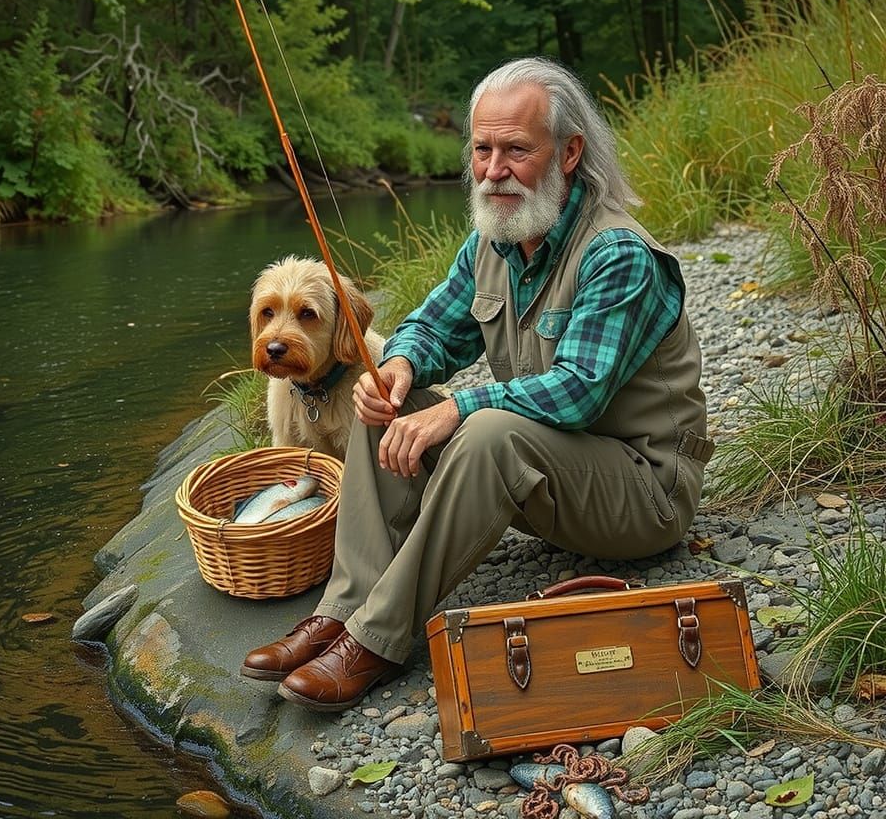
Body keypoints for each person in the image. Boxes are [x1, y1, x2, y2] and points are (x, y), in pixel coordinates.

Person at [240, 56, 713, 712]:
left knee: (486, 430)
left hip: (643, 494)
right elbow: (431, 327)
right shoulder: (495, 241)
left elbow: (578, 391)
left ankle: (376, 640)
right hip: (554, 487)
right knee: (383, 404)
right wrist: (400, 368)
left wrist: (458, 407)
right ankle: (341, 611)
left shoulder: (618, 256)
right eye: (483, 149)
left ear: (569, 152)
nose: (493, 170)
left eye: (517, 150)